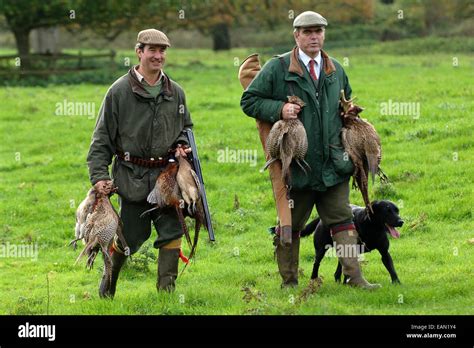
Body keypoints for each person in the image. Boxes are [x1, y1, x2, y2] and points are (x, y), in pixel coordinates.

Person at [240, 11, 381, 289]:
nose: (314, 36)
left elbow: (345, 101)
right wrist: (279, 108)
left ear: (324, 34)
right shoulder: (277, 68)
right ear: (296, 35)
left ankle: (355, 279)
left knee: (343, 222)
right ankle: (289, 282)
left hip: (334, 164)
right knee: (289, 226)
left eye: (318, 31)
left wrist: (349, 112)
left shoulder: (335, 69)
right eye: (307, 32)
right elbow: (249, 101)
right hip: (297, 167)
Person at [87, 29, 193, 298]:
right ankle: (108, 282)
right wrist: (99, 175)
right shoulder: (119, 91)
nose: (158, 56)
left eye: (162, 51)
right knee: (130, 239)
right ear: (139, 52)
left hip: (167, 177)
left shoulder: (176, 92)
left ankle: (166, 295)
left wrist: (182, 143)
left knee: (172, 231)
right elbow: (102, 138)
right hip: (131, 178)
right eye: (152, 50)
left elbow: (186, 127)